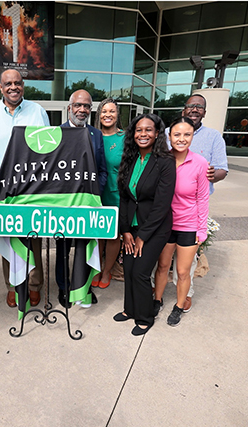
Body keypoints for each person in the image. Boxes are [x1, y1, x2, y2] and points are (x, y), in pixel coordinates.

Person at [0, 68, 49, 308]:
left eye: (17, 83)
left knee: (33, 240)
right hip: (2, 191)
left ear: (24, 85)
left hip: (32, 189)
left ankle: (33, 284)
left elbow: (48, 151)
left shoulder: (38, 112)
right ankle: (13, 286)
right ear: (0, 87)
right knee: (8, 240)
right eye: (8, 83)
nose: (13, 87)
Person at [164, 94, 229, 312]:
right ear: (184, 109)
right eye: (191, 106)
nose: (195, 109)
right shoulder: (166, 134)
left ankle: (185, 296)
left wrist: (211, 174)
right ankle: (157, 294)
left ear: (204, 112)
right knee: (162, 263)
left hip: (192, 209)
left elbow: (222, 169)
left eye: (199, 107)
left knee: (185, 266)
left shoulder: (213, 137)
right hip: (166, 212)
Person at [114, 113, 176, 336]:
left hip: (155, 228)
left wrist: (143, 236)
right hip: (132, 226)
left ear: (157, 133)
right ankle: (130, 309)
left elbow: (162, 204)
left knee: (140, 272)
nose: (143, 134)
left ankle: (145, 317)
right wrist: (126, 231)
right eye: (139, 130)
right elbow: (124, 197)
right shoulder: (129, 158)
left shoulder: (165, 162)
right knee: (129, 269)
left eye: (148, 130)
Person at [154, 117, 209, 326]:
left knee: (183, 271)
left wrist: (201, 230)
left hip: (189, 226)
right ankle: (157, 301)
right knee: (162, 266)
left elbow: (202, 198)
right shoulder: (162, 159)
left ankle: (178, 306)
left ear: (193, 136)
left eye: (187, 134)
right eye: (177, 134)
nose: (181, 139)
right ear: (169, 136)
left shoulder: (200, 163)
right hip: (165, 224)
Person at [55, 89, 107, 308]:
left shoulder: (96, 135)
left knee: (86, 248)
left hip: (88, 206)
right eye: (78, 105)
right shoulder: (56, 133)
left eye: (86, 106)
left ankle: (83, 287)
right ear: (69, 108)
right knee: (62, 250)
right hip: (62, 206)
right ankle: (64, 288)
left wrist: (95, 193)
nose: (82, 109)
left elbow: (102, 170)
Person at [92, 97, 125, 289]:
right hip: (94, 192)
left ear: (117, 114)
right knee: (97, 234)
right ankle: (96, 269)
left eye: (112, 111)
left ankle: (107, 271)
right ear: (99, 114)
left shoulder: (125, 137)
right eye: (104, 111)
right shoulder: (91, 135)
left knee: (113, 235)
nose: (108, 115)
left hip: (116, 193)